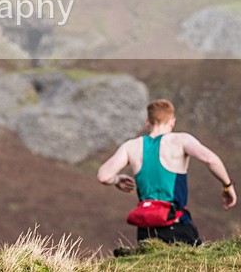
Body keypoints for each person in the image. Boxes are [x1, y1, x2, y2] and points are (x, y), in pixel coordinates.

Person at [97, 98, 236, 246]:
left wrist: (117, 180)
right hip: (176, 225)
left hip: (146, 229)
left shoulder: (131, 146)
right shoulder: (181, 140)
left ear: (147, 122)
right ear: (172, 121)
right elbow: (210, 159)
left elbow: (103, 175)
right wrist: (227, 185)